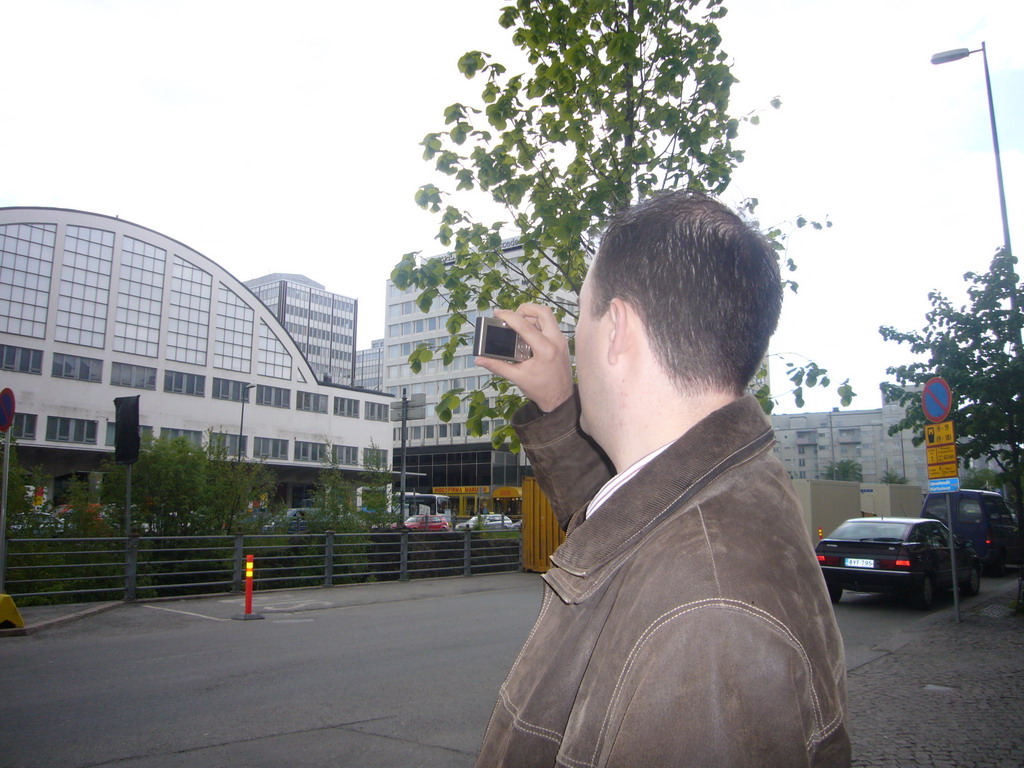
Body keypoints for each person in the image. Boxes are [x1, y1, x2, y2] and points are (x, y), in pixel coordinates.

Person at [473, 190, 850, 767]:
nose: (578, 341)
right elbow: (630, 529)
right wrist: (557, 402)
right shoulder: (730, 488)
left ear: (617, 327)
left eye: (584, 316)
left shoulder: (708, 619)